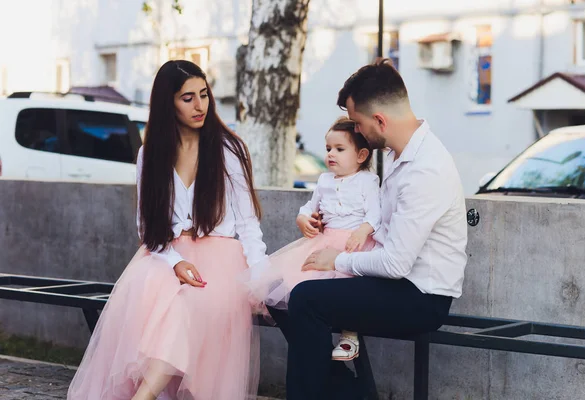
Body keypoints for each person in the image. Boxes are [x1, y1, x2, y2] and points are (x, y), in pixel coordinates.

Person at [267, 59, 468, 400]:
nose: (356, 131)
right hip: (390, 279)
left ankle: (338, 391)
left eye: (357, 123)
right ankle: (345, 390)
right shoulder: (398, 153)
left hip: (420, 296)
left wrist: (338, 260)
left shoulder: (425, 170)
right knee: (280, 288)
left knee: (305, 300)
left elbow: (395, 264)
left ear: (379, 120)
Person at [67, 60, 267, 400]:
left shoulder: (229, 150)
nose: (200, 105)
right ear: (167, 102)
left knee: (188, 305)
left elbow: (248, 224)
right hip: (164, 255)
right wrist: (174, 261)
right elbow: (147, 227)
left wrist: (261, 276)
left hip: (220, 261)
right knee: (153, 299)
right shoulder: (151, 154)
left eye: (204, 94)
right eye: (187, 98)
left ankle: (143, 396)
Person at [245, 116, 380, 362]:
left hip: (354, 245)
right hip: (324, 240)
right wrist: (303, 219)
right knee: (296, 281)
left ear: (361, 156)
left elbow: (376, 214)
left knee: (345, 287)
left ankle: (349, 336)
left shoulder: (367, 181)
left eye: (340, 149)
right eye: (328, 148)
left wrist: (363, 230)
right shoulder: (324, 180)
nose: (331, 154)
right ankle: (313, 340)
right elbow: (309, 207)